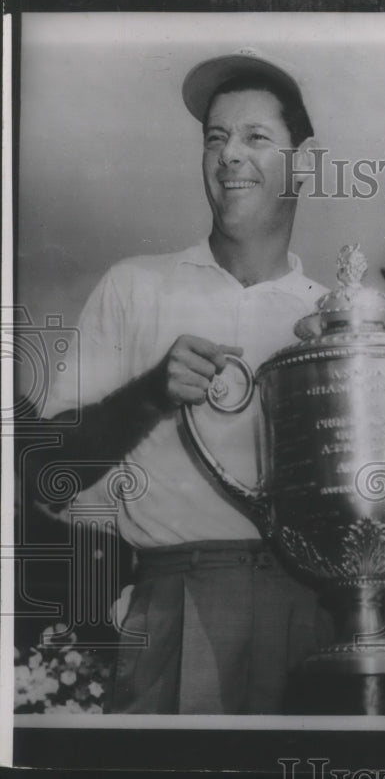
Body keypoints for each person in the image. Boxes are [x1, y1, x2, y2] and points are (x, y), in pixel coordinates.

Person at [31, 48, 331, 714]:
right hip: (175, 598)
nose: (229, 156)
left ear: (304, 163)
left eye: (256, 136)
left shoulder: (332, 317)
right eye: (215, 139)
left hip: (315, 607)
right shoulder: (135, 285)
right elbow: (44, 472)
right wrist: (148, 394)